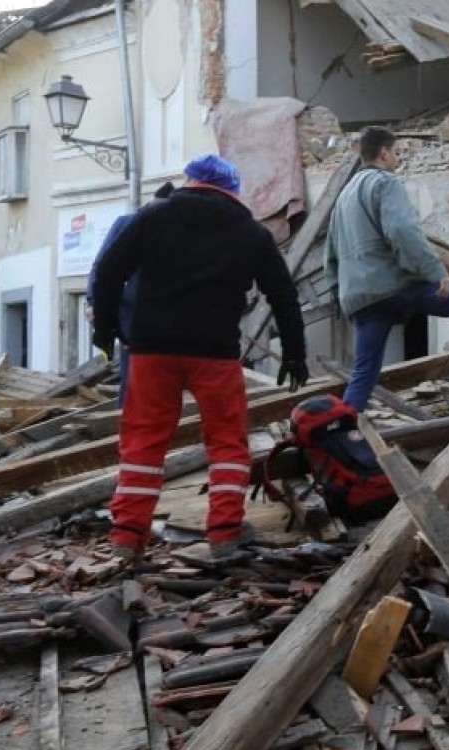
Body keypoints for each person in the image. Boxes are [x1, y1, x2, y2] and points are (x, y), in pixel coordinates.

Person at [92, 154, 308, 563]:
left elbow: (107, 271)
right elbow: (283, 295)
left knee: (143, 443)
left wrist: (106, 332)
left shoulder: (152, 218)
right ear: (232, 190)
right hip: (215, 353)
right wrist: (294, 353)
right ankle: (225, 533)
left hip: (153, 350)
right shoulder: (251, 232)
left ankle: (127, 536)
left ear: (190, 181)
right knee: (228, 443)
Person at [326, 126, 449, 412]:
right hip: (392, 286)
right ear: (384, 152)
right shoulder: (385, 182)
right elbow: (402, 230)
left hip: (360, 298)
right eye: (396, 152)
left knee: (364, 373)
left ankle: (343, 428)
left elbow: (331, 257)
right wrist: (435, 271)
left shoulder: (342, 197)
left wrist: (344, 297)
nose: (397, 159)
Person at [86, 181, 174, 407]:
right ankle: (126, 430)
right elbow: (102, 266)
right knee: (134, 383)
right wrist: (93, 302)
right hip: (133, 320)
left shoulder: (180, 229)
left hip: (166, 321)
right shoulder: (128, 224)